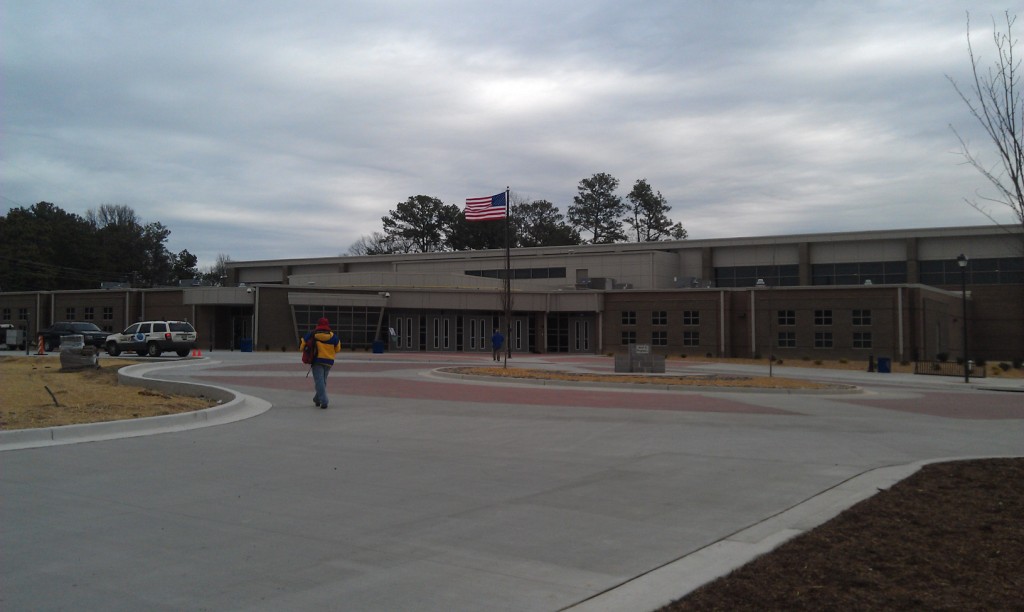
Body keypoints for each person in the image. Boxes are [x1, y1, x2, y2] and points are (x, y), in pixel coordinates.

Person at [300, 317, 342, 409]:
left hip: (317, 361)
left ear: (318, 325)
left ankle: (324, 401)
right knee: (323, 381)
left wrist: (304, 350)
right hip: (329, 361)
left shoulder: (312, 334)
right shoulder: (333, 336)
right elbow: (338, 349)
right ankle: (317, 399)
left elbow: (303, 343)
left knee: (319, 381)